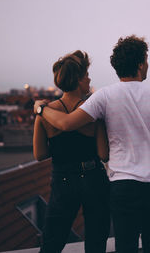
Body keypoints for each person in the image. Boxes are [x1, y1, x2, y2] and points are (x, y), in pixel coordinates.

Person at [34, 35, 150, 253]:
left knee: (125, 246)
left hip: (122, 185)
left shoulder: (104, 96)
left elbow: (66, 125)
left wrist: (40, 110)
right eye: (146, 60)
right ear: (140, 64)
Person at [33, 50, 110, 253]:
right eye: (86, 75)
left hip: (62, 179)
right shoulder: (93, 111)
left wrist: (61, 147)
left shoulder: (45, 112)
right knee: (96, 241)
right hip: (93, 177)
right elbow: (103, 154)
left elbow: (39, 154)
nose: (89, 79)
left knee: (52, 240)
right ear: (78, 79)